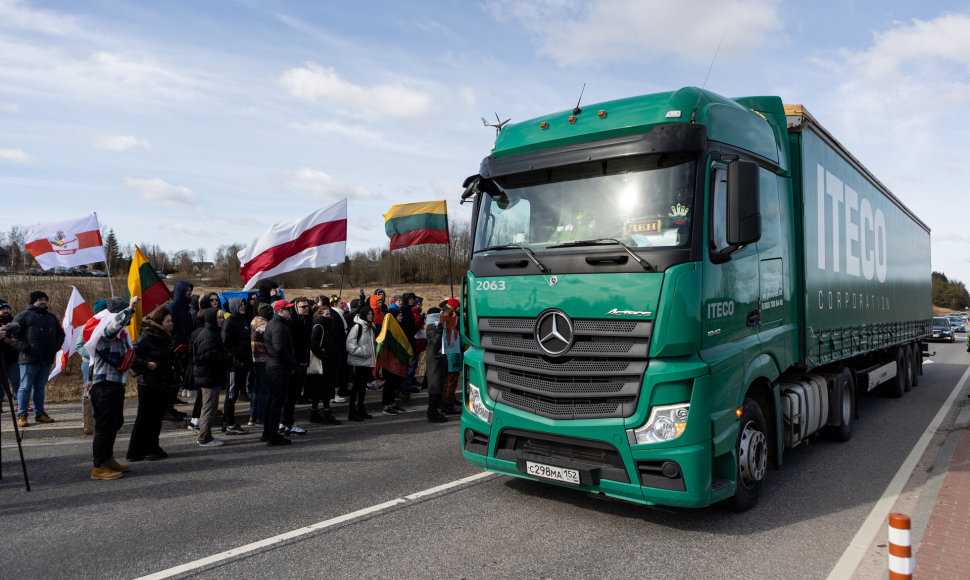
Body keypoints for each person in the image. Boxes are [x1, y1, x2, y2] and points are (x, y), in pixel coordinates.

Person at [85, 296, 139, 480]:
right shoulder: (107, 329)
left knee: (114, 423)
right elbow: (111, 329)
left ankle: (108, 459)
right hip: (105, 386)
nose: (130, 319)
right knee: (105, 426)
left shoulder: (119, 332)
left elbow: (93, 359)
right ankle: (98, 467)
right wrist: (130, 308)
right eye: (126, 315)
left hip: (114, 384)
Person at [126, 306, 176, 461]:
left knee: (156, 418)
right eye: (168, 321)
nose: (171, 324)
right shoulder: (146, 338)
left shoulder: (165, 338)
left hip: (162, 382)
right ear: (159, 322)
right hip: (148, 384)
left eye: (171, 321)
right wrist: (147, 364)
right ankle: (139, 450)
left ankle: (153, 446)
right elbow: (130, 355)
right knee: (145, 418)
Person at [10, 290, 65, 427]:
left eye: (45, 299)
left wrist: (55, 347)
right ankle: (22, 415)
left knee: (40, 387)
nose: (43, 301)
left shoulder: (51, 317)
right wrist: (27, 349)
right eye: (39, 299)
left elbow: (61, 334)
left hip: (46, 359)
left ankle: (39, 414)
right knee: (25, 387)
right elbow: (12, 337)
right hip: (28, 359)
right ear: (33, 301)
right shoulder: (23, 316)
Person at [191, 306, 233, 447]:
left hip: (210, 375)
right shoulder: (208, 335)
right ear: (212, 319)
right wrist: (226, 358)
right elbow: (207, 357)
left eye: (222, 317)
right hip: (208, 376)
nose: (222, 320)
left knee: (209, 406)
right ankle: (204, 437)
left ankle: (205, 435)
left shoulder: (212, 332)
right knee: (209, 407)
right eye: (219, 317)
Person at [262, 299, 296, 446]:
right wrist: (291, 363)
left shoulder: (276, 324)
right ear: (280, 311)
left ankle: (268, 433)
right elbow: (280, 349)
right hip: (278, 367)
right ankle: (272, 435)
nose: (290, 311)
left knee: (273, 401)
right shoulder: (278, 326)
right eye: (288, 309)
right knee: (276, 402)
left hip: (274, 365)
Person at [75, 299, 107, 435]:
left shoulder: (109, 325)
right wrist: (91, 354)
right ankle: (87, 418)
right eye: (101, 311)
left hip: (104, 364)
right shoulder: (87, 326)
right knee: (88, 390)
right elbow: (78, 346)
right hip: (88, 363)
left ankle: (102, 416)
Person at [282, 296, 312, 436]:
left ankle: (287, 422)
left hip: (302, 362)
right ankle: (288, 424)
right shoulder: (293, 323)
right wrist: (293, 364)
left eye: (307, 306)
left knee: (292, 396)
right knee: (291, 396)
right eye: (303, 307)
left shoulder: (306, 321)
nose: (306, 309)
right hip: (295, 364)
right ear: (296, 308)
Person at [221, 297, 251, 435]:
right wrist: (233, 359)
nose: (243, 306)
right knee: (231, 395)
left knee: (235, 394)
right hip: (234, 365)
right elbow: (226, 343)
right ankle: (230, 424)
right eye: (241, 305)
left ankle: (226, 422)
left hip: (243, 364)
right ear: (234, 306)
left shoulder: (243, 320)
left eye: (244, 304)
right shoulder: (230, 322)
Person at [307, 305, 342, 425]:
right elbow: (313, 345)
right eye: (326, 314)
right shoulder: (318, 326)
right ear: (320, 315)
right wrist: (324, 356)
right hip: (322, 363)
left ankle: (320, 412)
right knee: (321, 389)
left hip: (329, 362)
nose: (329, 316)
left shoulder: (330, 326)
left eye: (329, 314)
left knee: (327, 388)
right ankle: (320, 413)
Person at [376, 304, 411, 416]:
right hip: (389, 363)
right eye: (399, 316)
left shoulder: (400, 328)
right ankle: (386, 405)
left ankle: (392, 403)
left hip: (397, 362)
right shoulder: (388, 332)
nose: (402, 317)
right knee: (389, 384)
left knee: (395, 382)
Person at [345, 305, 376, 421]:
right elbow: (350, 345)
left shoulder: (371, 327)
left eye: (371, 314)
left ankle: (361, 410)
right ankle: (352, 412)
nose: (370, 316)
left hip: (367, 362)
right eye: (368, 314)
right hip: (357, 362)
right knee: (355, 388)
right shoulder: (357, 327)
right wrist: (363, 353)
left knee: (363, 388)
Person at [248, 303, 272, 427]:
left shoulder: (253, 322)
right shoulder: (264, 326)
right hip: (263, 360)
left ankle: (252, 416)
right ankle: (260, 418)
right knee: (264, 391)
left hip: (254, 360)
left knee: (256, 390)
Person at [423, 307, 448, 423]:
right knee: (435, 388)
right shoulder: (431, 327)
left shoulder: (434, 326)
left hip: (439, 360)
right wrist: (439, 331)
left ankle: (434, 412)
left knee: (438, 388)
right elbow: (434, 344)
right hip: (434, 361)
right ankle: (432, 414)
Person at [440, 298, 463, 414]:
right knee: (451, 381)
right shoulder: (451, 322)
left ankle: (445, 403)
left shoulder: (444, 319)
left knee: (447, 381)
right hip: (452, 355)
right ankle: (448, 405)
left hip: (447, 354)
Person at [0, 299, 20, 413]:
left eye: (7, 309)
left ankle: (20, 403)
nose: (6, 311)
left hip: (13, 357)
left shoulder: (14, 322)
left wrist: (13, 340)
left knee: (16, 380)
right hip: (0, 358)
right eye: (3, 309)